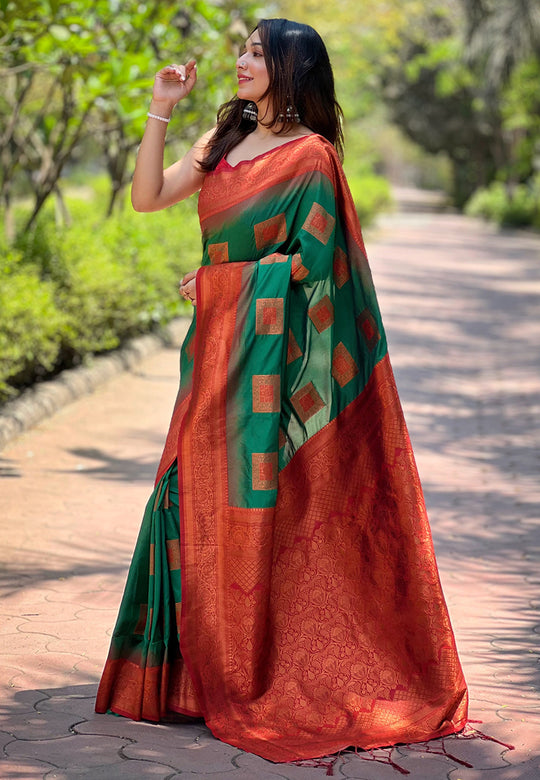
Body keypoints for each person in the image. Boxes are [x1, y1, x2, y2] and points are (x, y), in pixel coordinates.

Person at [95, 17, 468, 765]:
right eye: (244, 48)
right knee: (188, 492)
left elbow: (317, 270)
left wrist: (223, 281)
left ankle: (251, 672)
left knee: (258, 505)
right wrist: (159, 108)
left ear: (293, 67)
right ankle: (186, 681)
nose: (242, 61)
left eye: (260, 53)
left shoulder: (311, 157)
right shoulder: (224, 139)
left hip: (274, 362)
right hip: (215, 354)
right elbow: (146, 198)